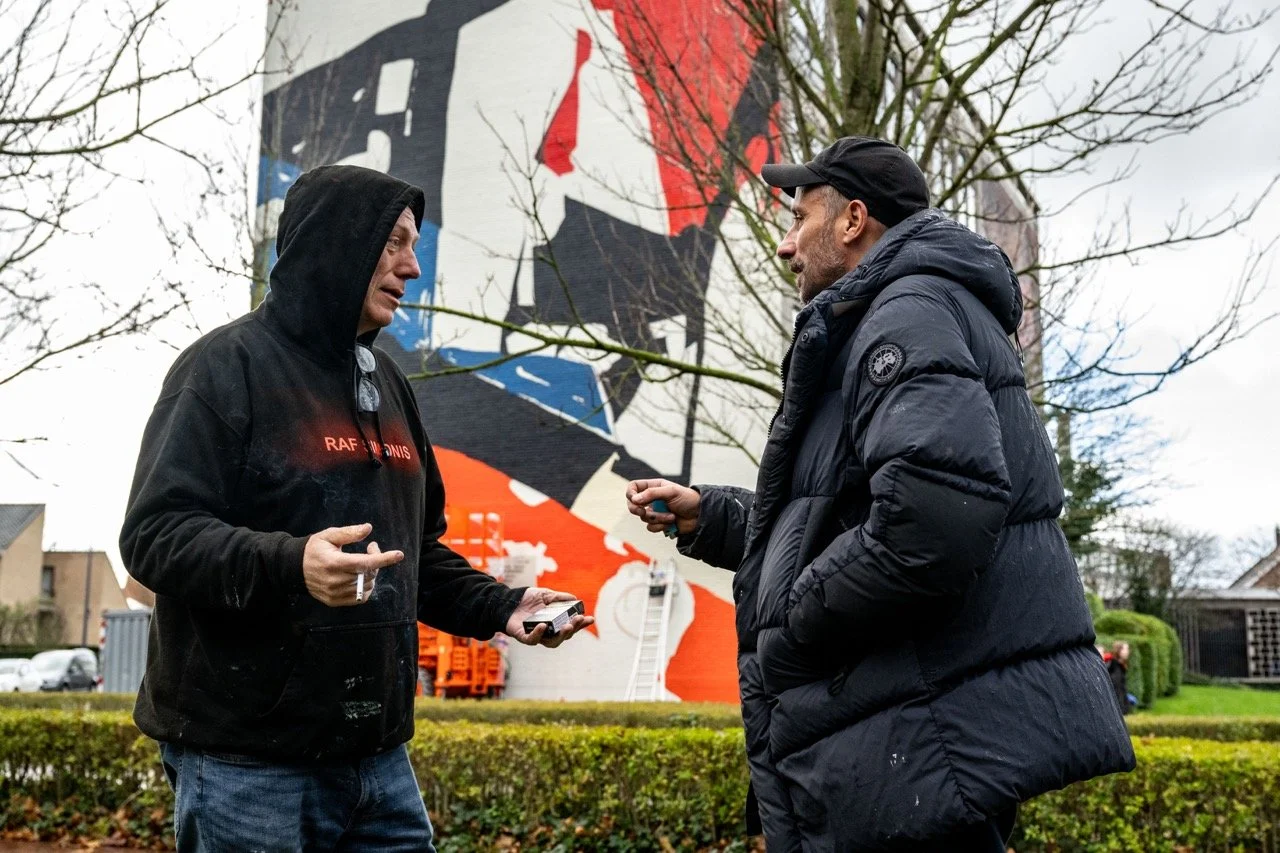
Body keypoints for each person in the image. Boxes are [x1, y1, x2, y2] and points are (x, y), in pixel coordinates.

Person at [626, 137, 1135, 851]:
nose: (784, 244)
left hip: (908, 744)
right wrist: (712, 516)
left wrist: (790, 625)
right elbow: (852, 519)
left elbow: (932, 521)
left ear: (852, 219)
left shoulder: (907, 312)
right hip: (904, 738)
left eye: (798, 217)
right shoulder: (896, 313)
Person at [120, 164, 593, 852]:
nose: (412, 266)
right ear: (338, 243)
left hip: (377, 761)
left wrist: (501, 606)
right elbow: (155, 536)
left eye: (414, 244)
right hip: (247, 765)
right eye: (395, 242)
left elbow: (416, 551)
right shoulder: (223, 368)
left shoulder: (390, 386)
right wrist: (292, 563)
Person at [1109, 641, 1132, 714]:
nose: (1128, 651)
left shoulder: (1120, 666)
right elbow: (1117, 690)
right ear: (1119, 651)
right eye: (1126, 649)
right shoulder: (1115, 668)